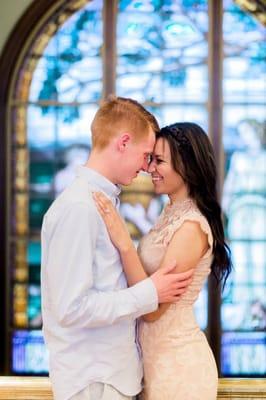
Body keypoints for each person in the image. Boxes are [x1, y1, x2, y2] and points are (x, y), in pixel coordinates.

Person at [41, 97, 193, 400]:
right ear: (123, 142)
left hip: (109, 379)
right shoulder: (79, 208)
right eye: (146, 154)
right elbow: (72, 308)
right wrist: (150, 293)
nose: (147, 166)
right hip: (93, 383)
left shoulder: (100, 201)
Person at [93, 122, 232, 400]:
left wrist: (124, 242)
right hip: (152, 363)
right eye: (149, 159)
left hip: (178, 368)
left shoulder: (192, 225)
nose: (149, 168)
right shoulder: (171, 212)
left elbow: (153, 309)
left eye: (159, 161)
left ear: (187, 165)